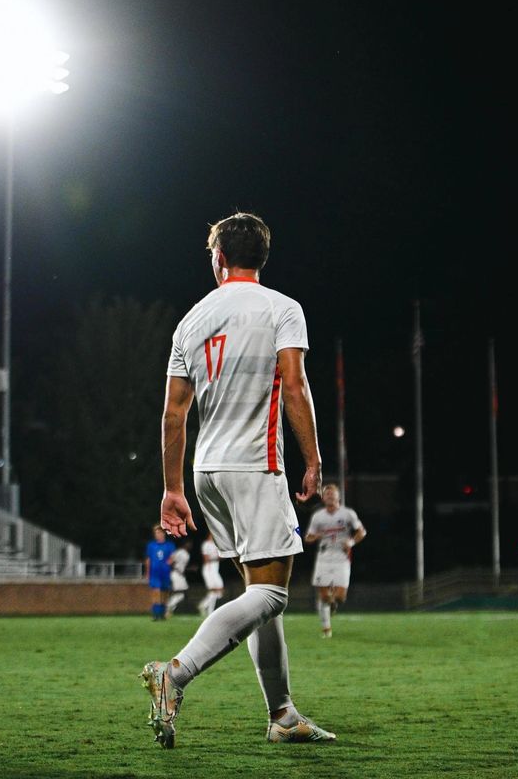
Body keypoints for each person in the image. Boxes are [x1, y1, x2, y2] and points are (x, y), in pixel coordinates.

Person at [140, 211, 335, 748]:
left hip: (206, 471)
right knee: (272, 595)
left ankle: (283, 715)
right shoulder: (282, 309)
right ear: (261, 257)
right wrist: (313, 458)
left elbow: (173, 413)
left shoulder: (191, 319)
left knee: (257, 591)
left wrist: (172, 488)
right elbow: (294, 386)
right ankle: (173, 674)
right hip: (256, 465)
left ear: (219, 257)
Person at [305, 483, 367, 637]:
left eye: (332, 494)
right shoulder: (318, 516)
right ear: (323, 498)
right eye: (327, 494)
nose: (330, 496)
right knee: (324, 596)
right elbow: (308, 537)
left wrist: (351, 542)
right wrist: (316, 536)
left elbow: (361, 531)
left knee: (340, 597)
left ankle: (333, 604)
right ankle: (326, 629)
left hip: (341, 556)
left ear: (338, 497)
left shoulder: (347, 514)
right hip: (324, 557)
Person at [145, 524, 176, 621]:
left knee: (164, 593)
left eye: (158, 532)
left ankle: (162, 613)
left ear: (163, 533)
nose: (157, 535)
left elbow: (173, 557)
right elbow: (148, 560)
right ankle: (156, 614)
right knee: (156, 592)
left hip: (165, 572)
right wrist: (147, 572)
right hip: (155, 572)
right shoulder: (151, 545)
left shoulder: (169, 545)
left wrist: (169, 562)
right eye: (155, 533)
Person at [197, 533, 224, 617]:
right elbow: (206, 558)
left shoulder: (216, 545)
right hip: (209, 569)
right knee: (216, 590)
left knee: (218, 592)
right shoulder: (206, 544)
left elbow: (220, 557)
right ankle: (208, 610)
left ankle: (204, 606)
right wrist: (215, 558)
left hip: (215, 568)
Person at [166, 540, 193, 618]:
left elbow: (183, 567)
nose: (190, 545)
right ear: (185, 544)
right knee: (180, 593)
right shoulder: (179, 552)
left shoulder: (187, 554)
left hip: (180, 575)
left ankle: (169, 608)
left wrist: (191, 568)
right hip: (176, 574)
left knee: (181, 594)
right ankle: (168, 607)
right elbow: (170, 561)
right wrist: (172, 568)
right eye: (188, 543)